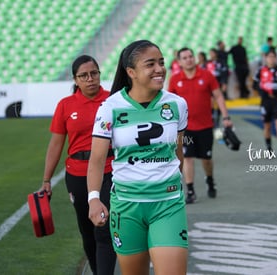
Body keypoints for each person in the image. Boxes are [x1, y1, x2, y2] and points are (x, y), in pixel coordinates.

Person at [87, 40, 188, 275]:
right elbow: (97, 159)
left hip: (168, 203)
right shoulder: (110, 108)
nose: (160, 69)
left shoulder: (177, 104)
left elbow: (178, 150)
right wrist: (93, 198)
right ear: (131, 72)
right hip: (126, 206)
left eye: (161, 62)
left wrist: (170, 180)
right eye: (150, 64)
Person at [40, 55, 117, 275]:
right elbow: (56, 144)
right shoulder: (65, 105)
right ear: (75, 79)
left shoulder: (113, 99)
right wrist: (46, 179)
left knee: (103, 229)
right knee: (87, 231)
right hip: (76, 175)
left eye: (94, 73)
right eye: (83, 76)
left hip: (109, 171)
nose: (90, 79)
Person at [168, 47, 233, 204]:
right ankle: (190, 190)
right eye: (185, 57)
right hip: (185, 128)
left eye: (191, 56)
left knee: (206, 158)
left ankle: (210, 179)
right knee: (187, 157)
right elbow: (168, 103)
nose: (189, 59)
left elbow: (218, 96)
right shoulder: (175, 79)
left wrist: (226, 117)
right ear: (179, 62)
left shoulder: (207, 75)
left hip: (205, 126)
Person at [253, 48, 277, 159]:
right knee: (267, 126)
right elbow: (254, 84)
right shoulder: (261, 70)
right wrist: (262, 93)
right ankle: (269, 150)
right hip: (265, 102)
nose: (271, 59)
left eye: (273, 57)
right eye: (269, 57)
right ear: (266, 58)